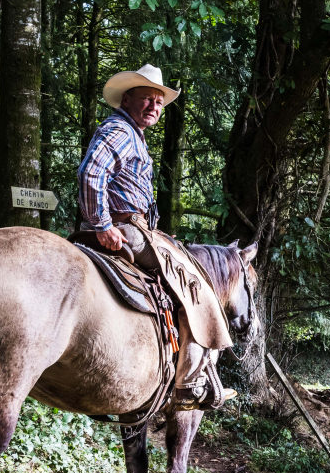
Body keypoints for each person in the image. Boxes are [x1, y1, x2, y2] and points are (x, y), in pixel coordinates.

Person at [77, 64, 235, 410]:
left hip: (135, 227)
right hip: (126, 229)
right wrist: (102, 225)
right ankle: (188, 384)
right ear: (127, 99)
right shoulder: (120, 129)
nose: (153, 106)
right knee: (195, 284)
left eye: (159, 102)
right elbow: (92, 171)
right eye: (146, 98)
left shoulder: (133, 134)